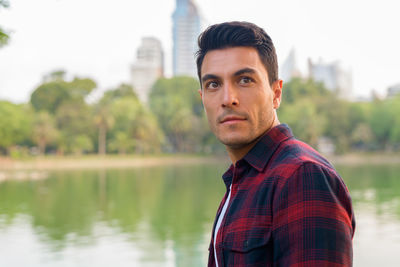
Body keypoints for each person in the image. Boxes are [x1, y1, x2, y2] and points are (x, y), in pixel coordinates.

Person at [195, 21, 355, 267]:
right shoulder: (241, 179)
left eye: (245, 80)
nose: (228, 99)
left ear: (276, 93)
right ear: (203, 97)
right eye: (214, 84)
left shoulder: (301, 176)